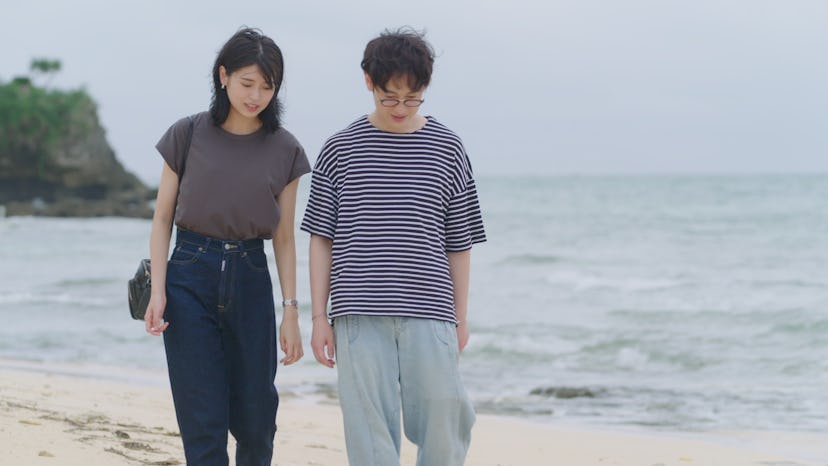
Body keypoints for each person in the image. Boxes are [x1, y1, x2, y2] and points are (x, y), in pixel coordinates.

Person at [301, 27, 486, 466]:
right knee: (368, 434)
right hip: (358, 313)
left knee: (447, 421)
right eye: (389, 98)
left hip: (431, 310)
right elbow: (321, 238)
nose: (401, 108)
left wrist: (460, 317)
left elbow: (459, 243)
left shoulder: (449, 147)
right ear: (369, 82)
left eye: (412, 98)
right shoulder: (339, 149)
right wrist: (318, 317)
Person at [144, 27, 310, 466]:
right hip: (188, 277)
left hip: (251, 278)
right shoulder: (188, 133)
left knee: (257, 423)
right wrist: (158, 291)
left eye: (267, 86)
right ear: (223, 76)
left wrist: (291, 311)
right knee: (203, 423)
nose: (256, 95)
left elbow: (285, 238)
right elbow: (162, 218)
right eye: (247, 83)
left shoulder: (285, 150)